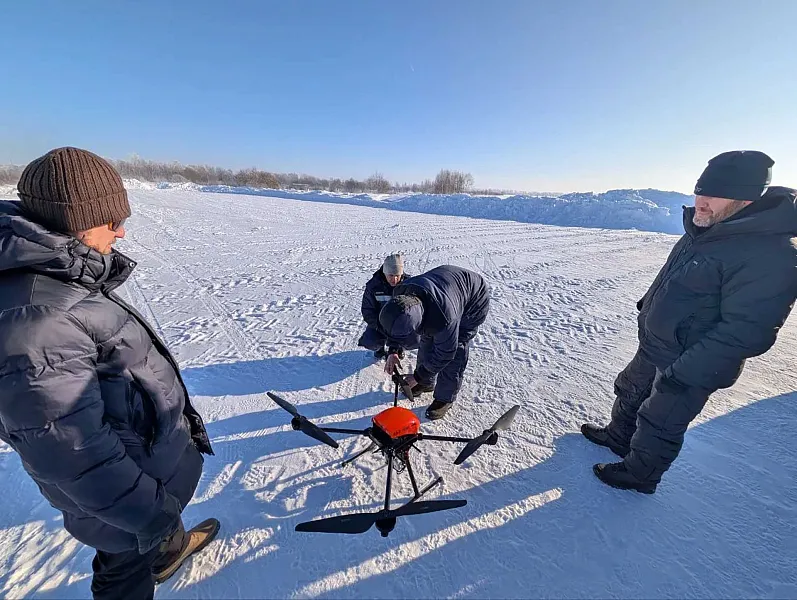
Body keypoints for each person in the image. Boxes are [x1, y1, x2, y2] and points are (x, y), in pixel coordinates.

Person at [0, 147, 219, 599]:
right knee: (124, 569)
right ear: (72, 221)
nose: (121, 232)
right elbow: (72, 451)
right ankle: (158, 547)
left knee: (145, 539)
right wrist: (150, 514)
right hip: (125, 498)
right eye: (111, 221)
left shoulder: (57, 274)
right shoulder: (40, 319)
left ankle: (168, 549)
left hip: (142, 473)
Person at [582, 150, 797, 494]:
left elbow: (748, 331)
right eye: (700, 191)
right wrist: (649, 308)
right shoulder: (706, 227)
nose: (701, 201)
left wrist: (687, 370)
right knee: (631, 389)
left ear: (745, 198)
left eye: (714, 194)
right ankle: (618, 437)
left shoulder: (771, 253)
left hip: (694, 360)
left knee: (660, 421)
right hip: (658, 341)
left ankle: (639, 476)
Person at [379, 265, 490, 420]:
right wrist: (393, 351)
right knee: (427, 338)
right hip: (443, 286)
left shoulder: (446, 317)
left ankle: (445, 398)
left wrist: (417, 376)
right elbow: (395, 324)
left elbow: (446, 353)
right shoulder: (400, 294)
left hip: (474, 299)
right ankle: (425, 382)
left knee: (456, 348)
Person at [358, 253, 410, 359]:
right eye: (391, 275)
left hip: (401, 324)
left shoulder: (408, 285)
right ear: (384, 272)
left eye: (397, 275)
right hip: (380, 323)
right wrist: (380, 326)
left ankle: (399, 348)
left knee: (416, 338)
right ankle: (380, 348)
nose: (394, 279)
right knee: (370, 341)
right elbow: (368, 310)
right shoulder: (374, 286)